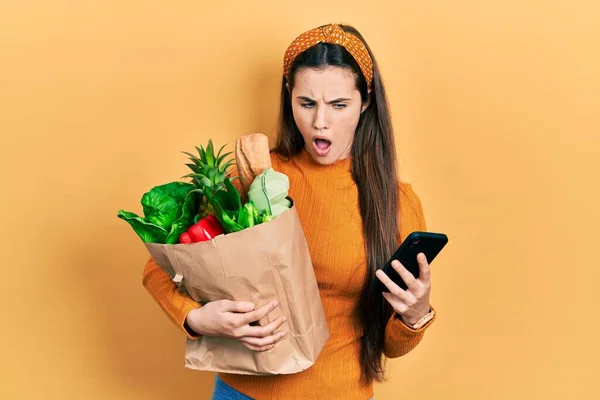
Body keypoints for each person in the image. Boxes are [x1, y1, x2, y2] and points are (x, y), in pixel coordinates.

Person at [141, 23, 437, 400]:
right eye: (307, 103)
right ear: (288, 96)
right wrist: (195, 317)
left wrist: (415, 314)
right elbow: (160, 266)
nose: (320, 122)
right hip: (241, 392)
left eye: (339, 105)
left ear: (365, 102)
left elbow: (392, 347)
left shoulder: (394, 203)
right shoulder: (254, 177)